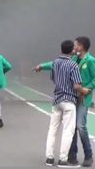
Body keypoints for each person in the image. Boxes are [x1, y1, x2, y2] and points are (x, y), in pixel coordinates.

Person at [35, 36, 94, 167]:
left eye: (76, 45)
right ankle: (71, 156)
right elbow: (54, 63)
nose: (74, 47)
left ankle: (88, 155)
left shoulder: (90, 61)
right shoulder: (73, 59)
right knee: (70, 127)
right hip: (72, 97)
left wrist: (87, 89)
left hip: (83, 97)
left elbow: (93, 78)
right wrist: (42, 66)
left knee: (80, 126)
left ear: (82, 46)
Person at [43, 40, 85, 167]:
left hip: (56, 100)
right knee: (68, 131)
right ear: (72, 51)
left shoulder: (55, 63)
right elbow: (77, 85)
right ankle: (62, 159)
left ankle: (49, 158)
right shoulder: (73, 65)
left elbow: (53, 78)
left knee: (53, 130)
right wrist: (84, 90)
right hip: (69, 101)